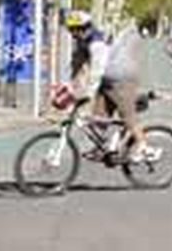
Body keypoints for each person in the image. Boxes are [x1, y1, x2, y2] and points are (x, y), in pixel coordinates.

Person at [65, 11, 152, 162]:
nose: (73, 33)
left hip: (122, 77)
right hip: (106, 80)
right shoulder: (82, 41)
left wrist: (88, 92)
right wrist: (69, 85)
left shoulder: (97, 43)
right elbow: (76, 64)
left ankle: (143, 146)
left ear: (85, 28)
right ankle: (104, 148)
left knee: (127, 114)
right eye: (71, 30)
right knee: (99, 117)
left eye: (76, 29)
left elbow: (96, 70)